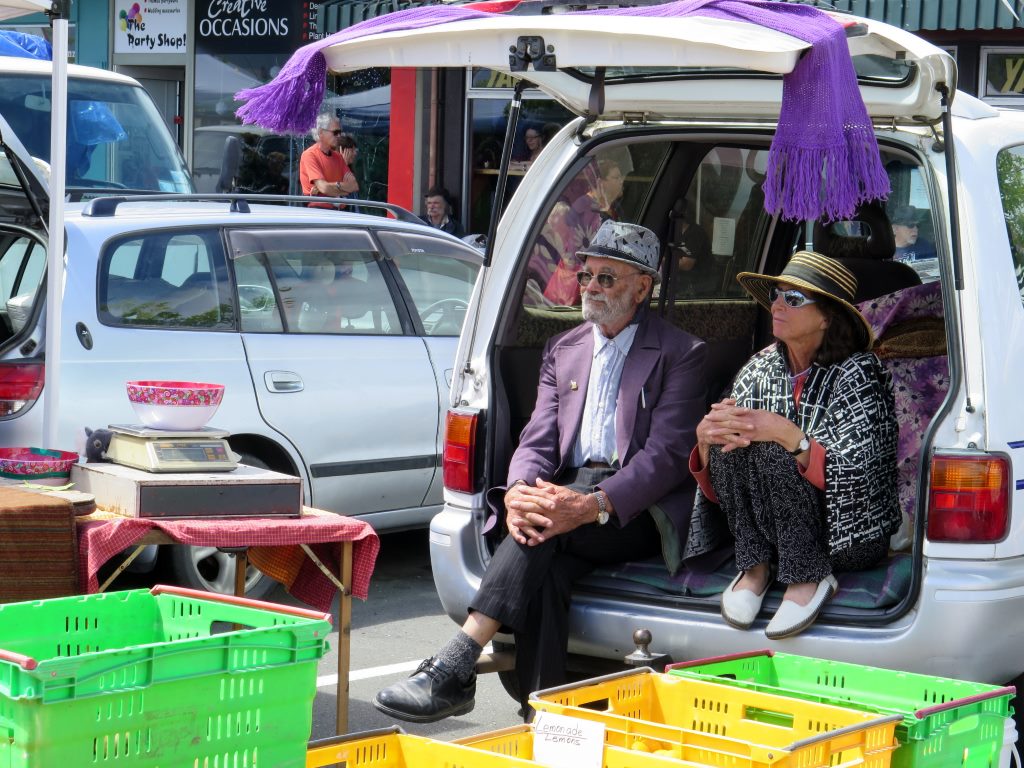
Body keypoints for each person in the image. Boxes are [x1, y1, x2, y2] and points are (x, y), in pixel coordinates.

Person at [373, 220, 707, 722]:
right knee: (547, 563)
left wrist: (591, 505)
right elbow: (538, 437)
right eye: (586, 276)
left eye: (607, 278)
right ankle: (545, 724)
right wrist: (519, 493)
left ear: (643, 286)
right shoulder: (564, 348)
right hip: (567, 494)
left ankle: (456, 664)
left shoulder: (682, 353)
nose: (591, 288)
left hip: (638, 508)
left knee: (543, 531)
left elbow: (664, 458)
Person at [689, 251, 900, 639]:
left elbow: (859, 476)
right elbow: (722, 489)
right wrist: (706, 442)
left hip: (847, 533)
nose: (777, 304)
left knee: (771, 447)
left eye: (794, 298)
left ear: (827, 316)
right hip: (770, 532)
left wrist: (791, 436)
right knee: (729, 442)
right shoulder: (758, 367)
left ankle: (808, 576)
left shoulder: (860, 373)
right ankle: (755, 568)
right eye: (776, 293)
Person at [299, 113, 358, 209]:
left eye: (340, 132)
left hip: (337, 212)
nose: (339, 136)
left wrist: (332, 187)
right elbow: (324, 188)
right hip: (318, 213)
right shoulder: (310, 155)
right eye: (335, 133)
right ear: (321, 132)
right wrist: (340, 188)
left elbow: (354, 186)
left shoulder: (338, 157)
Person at [667, 198, 713, 295]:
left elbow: (686, 264)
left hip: (697, 287)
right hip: (680, 285)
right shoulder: (674, 233)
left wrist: (663, 260)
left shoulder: (695, 233)